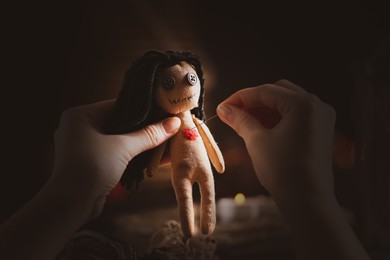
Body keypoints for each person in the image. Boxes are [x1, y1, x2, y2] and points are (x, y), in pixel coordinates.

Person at [0, 80, 372, 260]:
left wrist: (67, 199)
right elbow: (156, 146)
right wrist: (310, 200)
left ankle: (200, 231)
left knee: (206, 191)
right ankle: (193, 234)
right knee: (183, 194)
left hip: (200, 166)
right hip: (178, 167)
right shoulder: (172, 124)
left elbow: (211, 145)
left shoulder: (196, 120)